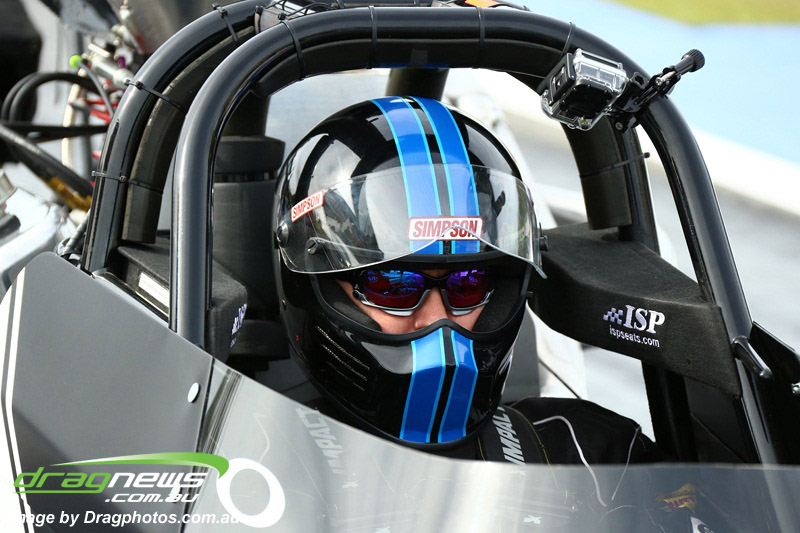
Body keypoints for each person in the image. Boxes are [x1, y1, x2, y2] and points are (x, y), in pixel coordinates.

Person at [272, 95, 663, 466]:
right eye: (394, 285)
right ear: (320, 287)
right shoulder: (258, 459)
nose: (437, 320)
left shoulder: (584, 452)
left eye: (468, 284)